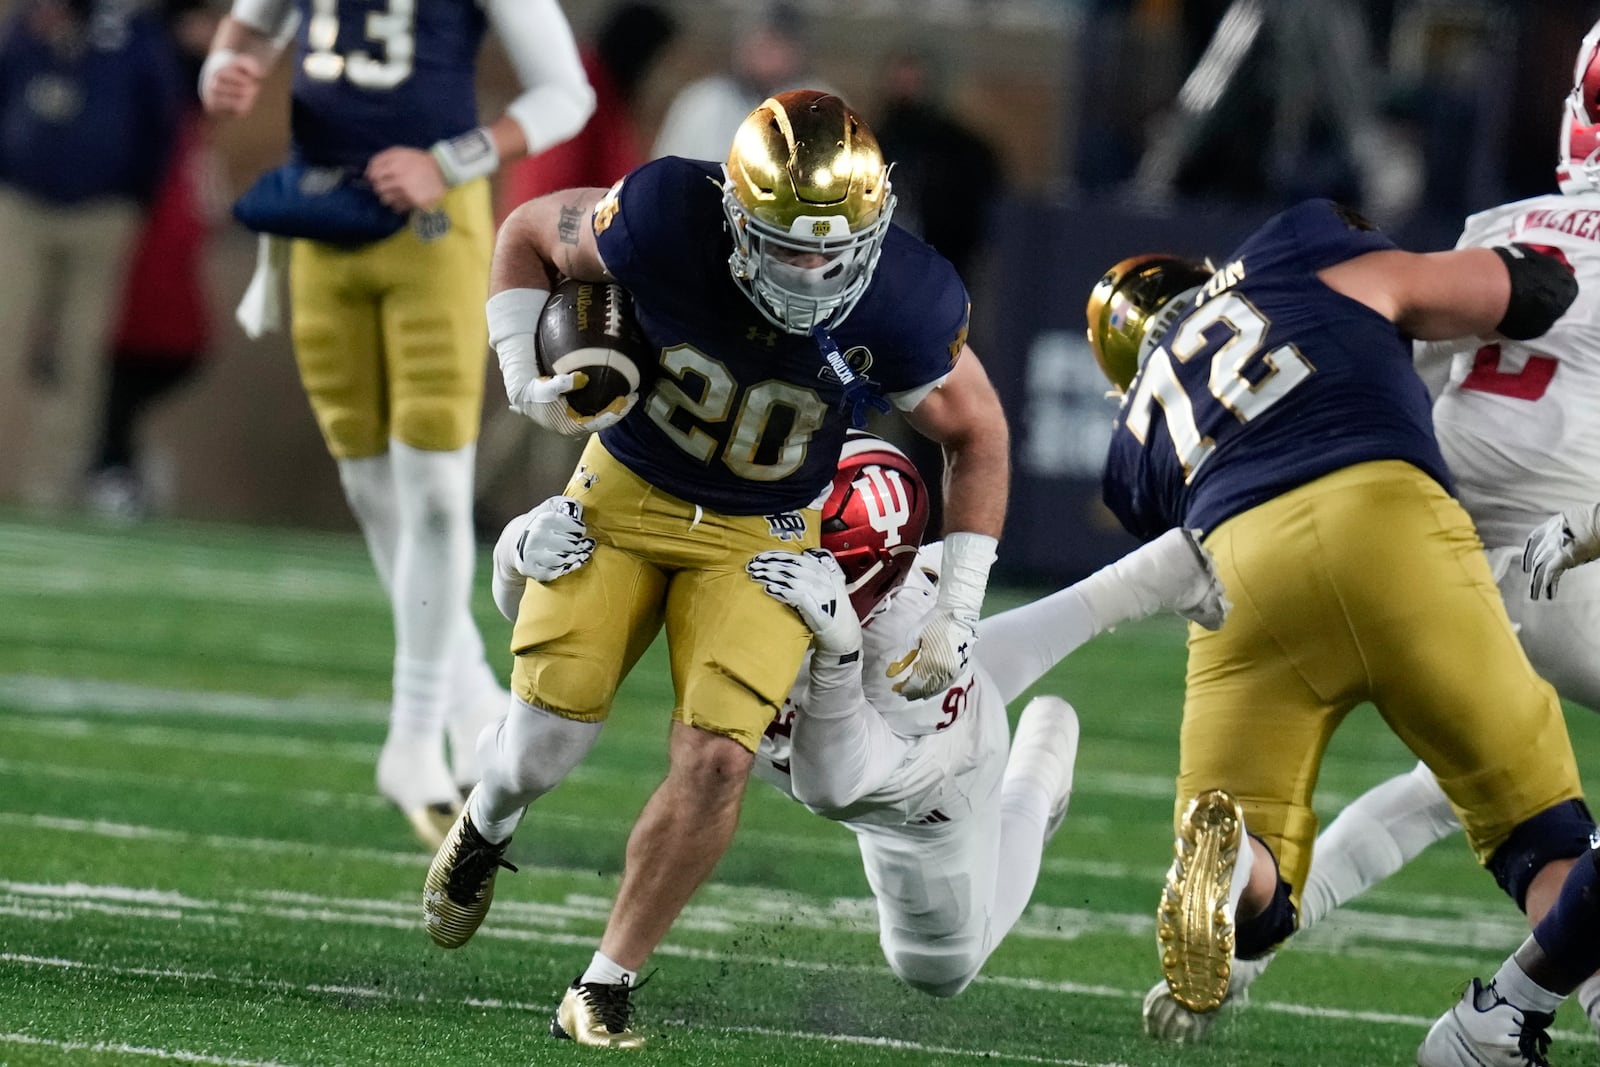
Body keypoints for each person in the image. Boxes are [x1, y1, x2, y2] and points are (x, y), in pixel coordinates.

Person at [421, 90, 1011, 1048]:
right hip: (623, 487)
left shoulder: (904, 295)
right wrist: (521, 375)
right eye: (785, 244)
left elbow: (978, 433)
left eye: (833, 247)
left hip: (765, 532)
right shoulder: (663, 214)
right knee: (545, 743)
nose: (812, 270)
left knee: (720, 759)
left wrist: (961, 611)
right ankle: (485, 822)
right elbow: (531, 231)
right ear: (735, 214)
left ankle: (606, 979)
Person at [1142, 17, 1600, 1052]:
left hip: (1406, 538)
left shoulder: (1500, 223)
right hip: (1564, 563)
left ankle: (1250, 925)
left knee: (1444, 788)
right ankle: (1545, 989)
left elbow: (1397, 366)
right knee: (1524, 814)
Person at [484, 432, 1226, 1015]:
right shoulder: (780, 545)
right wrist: (517, 553)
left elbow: (835, 785)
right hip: (893, 667)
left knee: (939, 967)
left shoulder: (892, 659)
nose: (760, 550)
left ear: (849, 576)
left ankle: (1038, 773)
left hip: (927, 775)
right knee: (986, 654)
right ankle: (1159, 571)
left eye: (793, 542)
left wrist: (837, 654)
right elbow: (568, 642)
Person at [198, 0, 595, 848]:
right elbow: (246, 29)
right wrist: (221, 72)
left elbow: (567, 93)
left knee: (438, 494)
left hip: (432, 231)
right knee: (370, 487)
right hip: (321, 226)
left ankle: (412, 733)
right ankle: (468, 701)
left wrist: (448, 159)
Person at [0, 0, 182, 513]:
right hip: (20, 204)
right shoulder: (29, 27)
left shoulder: (135, 35)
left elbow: (160, 124)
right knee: (5, 334)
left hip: (103, 212)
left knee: (81, 353)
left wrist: (133, 199)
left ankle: (50, 488)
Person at [87, 0, 225, 521]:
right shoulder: (147, 70)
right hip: (137, 230)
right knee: (122, 355)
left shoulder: (192, 98)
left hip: (168, 238)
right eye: (205, 22)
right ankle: (109, 464)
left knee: (170, 350)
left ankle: (113, 460)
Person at [648, 0, 816, 163]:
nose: (769, 52)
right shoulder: (701, 103)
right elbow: (665, 169)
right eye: (762, 40)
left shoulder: (818, 106)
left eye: (780, 44)